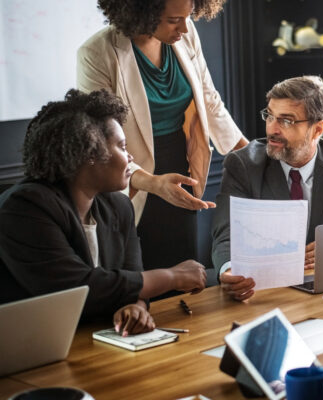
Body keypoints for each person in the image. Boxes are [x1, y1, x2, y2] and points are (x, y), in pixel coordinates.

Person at [0, 89, 207, 336]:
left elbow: (131, 279)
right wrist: (172, 277)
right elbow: (78, 289)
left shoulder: (118, 206)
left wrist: (135, 307)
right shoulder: (25, 207)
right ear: (89, 153)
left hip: (95, 340)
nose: (130, 157)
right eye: (122, 146)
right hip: (31, 345)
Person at [77, 0, 248, 273]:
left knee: (183, 266)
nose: (184, 27)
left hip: (180, 166)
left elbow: (209, 100)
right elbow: (99, 140)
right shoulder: (97, 53)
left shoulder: (186, 32)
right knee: (142, 273)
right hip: (128, 174)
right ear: (142, 11)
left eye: (188, 16)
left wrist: (250, 154)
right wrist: (153, 183)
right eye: (172, 20)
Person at [210, 76, 323, 301]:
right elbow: (226, 233)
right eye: (269, 116)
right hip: (267, 293)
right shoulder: (243, 165)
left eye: (286, 121)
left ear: (317, 129)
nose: (273, 129)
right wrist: (229, 270)